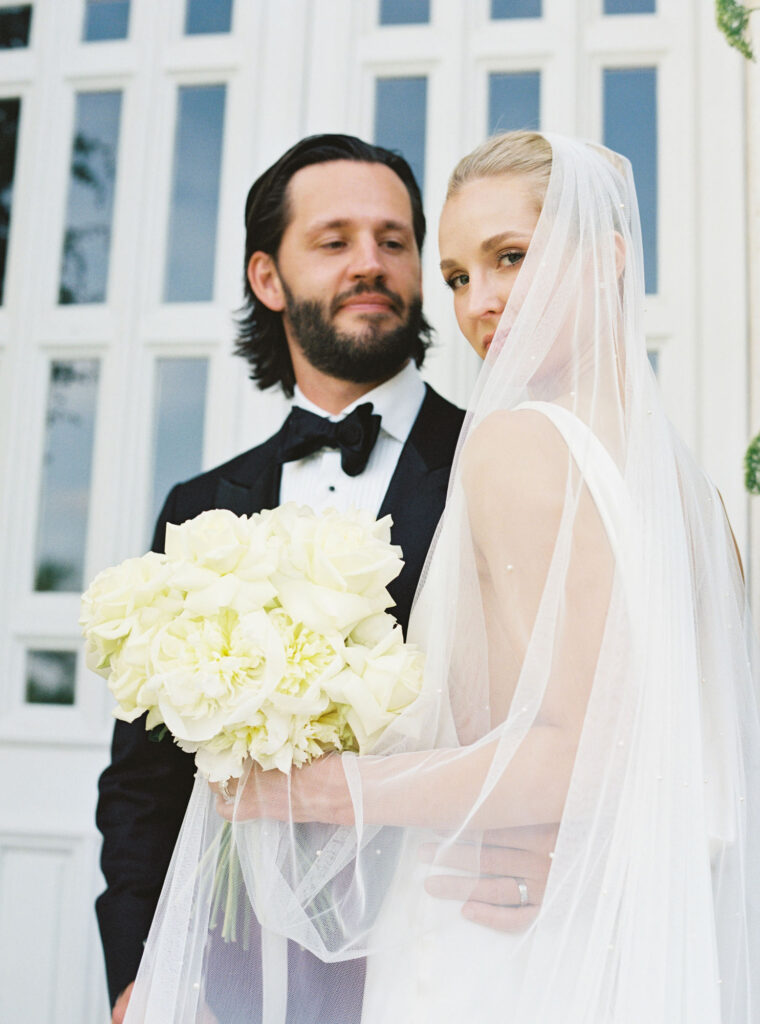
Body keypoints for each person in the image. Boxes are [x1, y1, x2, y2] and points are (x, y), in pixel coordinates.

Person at [126, 130, 760, 1022]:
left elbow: (573, 748)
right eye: (460, 276)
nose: (481, 302)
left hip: (492, 937)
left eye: (511, 258)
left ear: (609, 258)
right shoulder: (693, 491)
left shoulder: (507, 442)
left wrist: (313, 791)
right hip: (631, 947)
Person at [96, 134, 551, 1024]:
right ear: (269, 278)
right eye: (334, 241)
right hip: (237, 966)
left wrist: (556, 852)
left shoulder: (501, 459)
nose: (371, 264)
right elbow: (146, 780)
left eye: (394, 240)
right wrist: (137, 974)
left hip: (449, 948)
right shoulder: (201, 505)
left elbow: (570, 706)